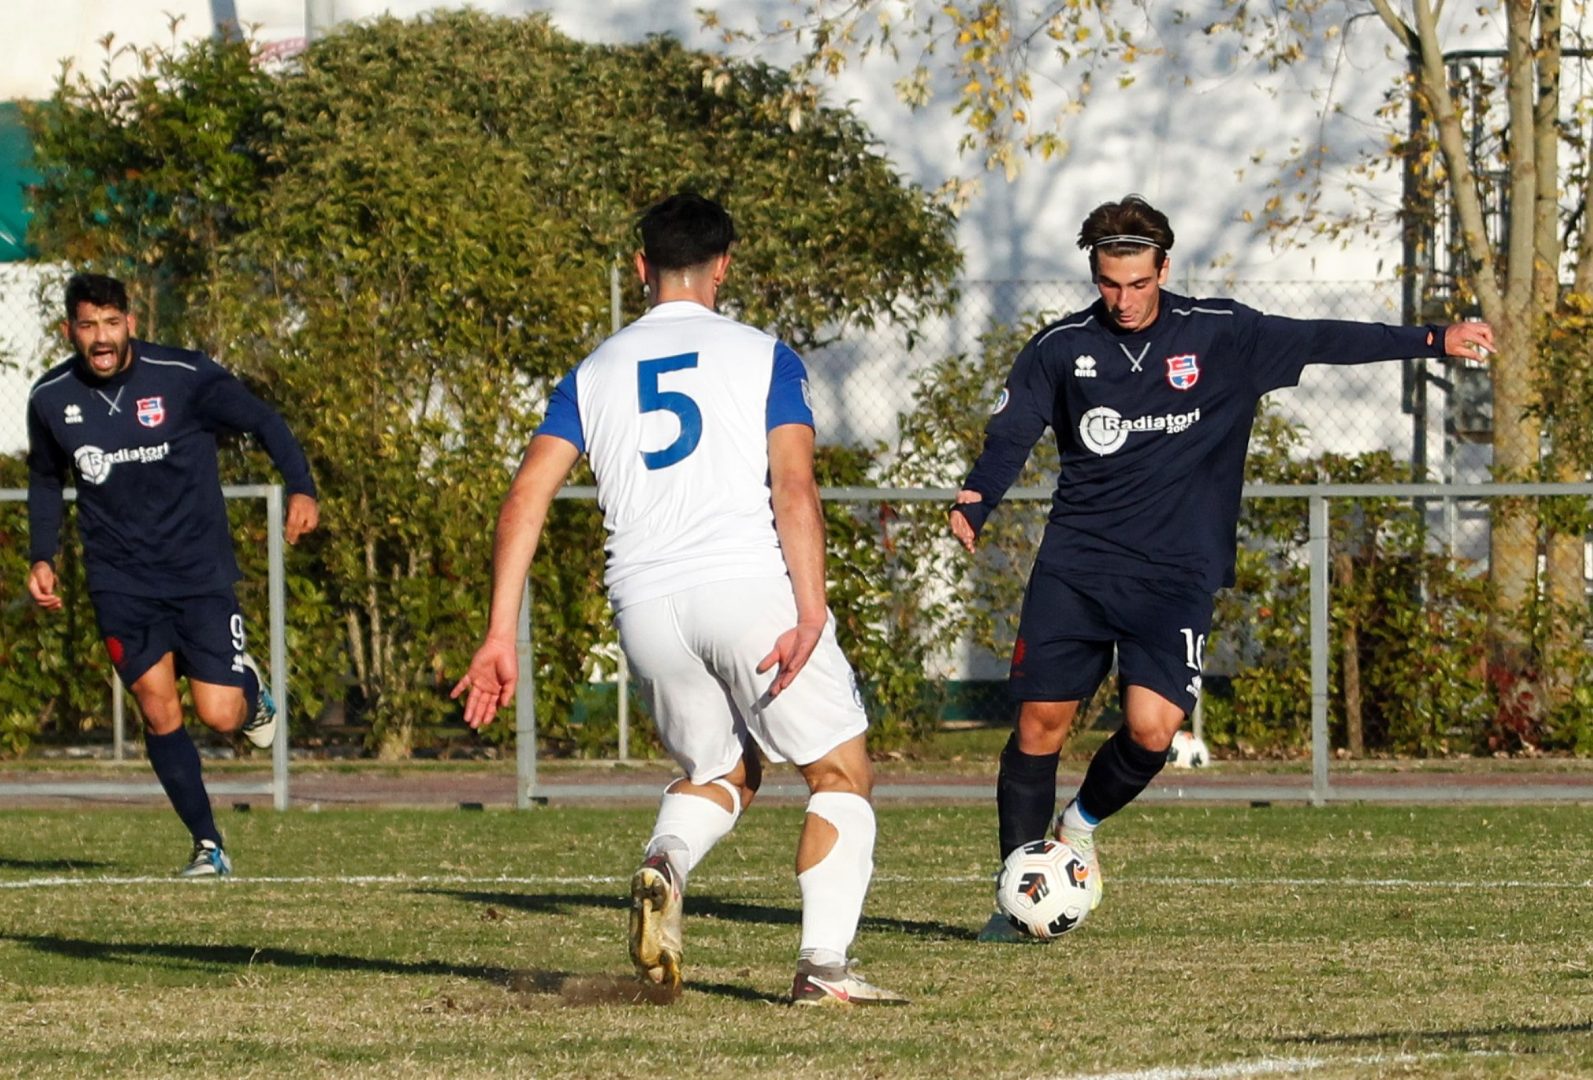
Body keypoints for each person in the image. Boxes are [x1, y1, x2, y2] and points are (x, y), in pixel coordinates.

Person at [949, 195, 1494, 942]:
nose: (1123, 299)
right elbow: (1012, 431)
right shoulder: (1061, 347)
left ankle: (1077, 827)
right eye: (1109, 283)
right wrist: (977, 497)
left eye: (1138, 283)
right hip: (1078, 563)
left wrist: (1433, 338)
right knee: (1040, 726)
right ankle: (1015, 899)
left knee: (1152, 729)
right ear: (1094, 274)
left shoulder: (1221, 334)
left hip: (1175, 573)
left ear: (1163, 269)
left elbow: (1325, 337)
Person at [452, 192, 906, 1007]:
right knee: (840, 770)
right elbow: (793, 488)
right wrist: (809, 612)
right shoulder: (764, 356)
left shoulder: (593, 372)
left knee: (722, 769)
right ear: (723, 266)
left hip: (645, 607)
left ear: (641, 267)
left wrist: (495, 636)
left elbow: (524, 498)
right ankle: (822, 967)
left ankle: (665, 860)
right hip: (746, 590)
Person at [26, 272, 319, 877]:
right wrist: (42, 556)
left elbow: (264, 421)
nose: (101, 338)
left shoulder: (184, 376)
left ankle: (251, 694)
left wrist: (301, 487)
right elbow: (46, 480)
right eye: (88, 325)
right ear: (69, 330)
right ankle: (208, 845)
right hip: (119, 580)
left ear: (131, 323)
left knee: (219, 714)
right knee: (158, 710)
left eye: (112, 323)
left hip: (197, 572)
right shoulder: (51, 398)